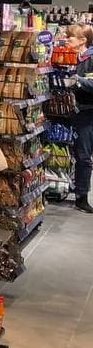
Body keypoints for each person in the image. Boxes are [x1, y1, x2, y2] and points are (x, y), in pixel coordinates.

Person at [69, 24, 93, 213]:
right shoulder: (71, 57)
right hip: (74, 111)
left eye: (70, 38)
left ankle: (81, 197)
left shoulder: (90, 58)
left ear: (82, 40)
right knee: (78, 153)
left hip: (87, 113)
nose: (66, 41)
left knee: (84, 155)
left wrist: (76, 80)